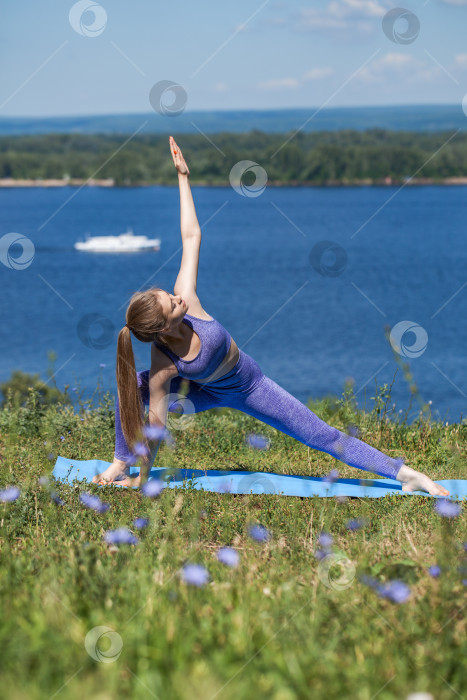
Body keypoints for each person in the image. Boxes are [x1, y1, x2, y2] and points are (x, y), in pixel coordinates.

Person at [92, 136, 449, 497]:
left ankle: (405, 474)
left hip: (248, 386)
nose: (177, 298)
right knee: (133, 386)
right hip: (202, 393)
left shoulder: (190, 302)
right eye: (172, 305)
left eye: (168, 295)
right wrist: (144, 475)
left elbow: (191, 235)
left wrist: (183, 177)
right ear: (164, 329)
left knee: (320, 435)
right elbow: (156, 424)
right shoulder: (163, 361)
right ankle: (121, 463)